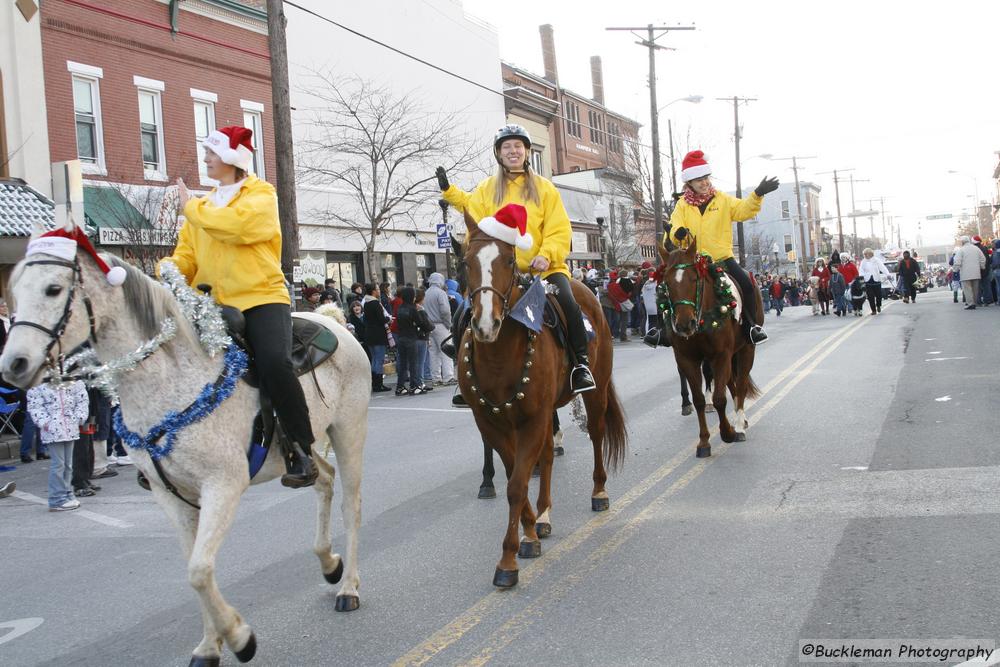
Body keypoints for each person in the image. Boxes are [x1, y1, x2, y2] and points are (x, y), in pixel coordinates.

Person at [163, 124, 316, 488]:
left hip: (261, 297)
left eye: (212, 153)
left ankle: (300, 448)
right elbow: (186, 255)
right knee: (172, 359)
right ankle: (168, 449)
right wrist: (167, 271)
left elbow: (238, 227)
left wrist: (191, 209)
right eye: (206, 152)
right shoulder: (200, 207)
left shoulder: (261, 195)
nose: (205, 159)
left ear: (232, 159)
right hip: (213, 305)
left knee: (274, 364)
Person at [437, 123, 595, 392]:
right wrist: (450, 192)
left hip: (542, 268)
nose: (513, 151)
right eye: (506, 147)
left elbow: (559, 228)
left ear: (527, 151)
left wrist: (546, 255)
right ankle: (463, 365)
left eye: (517, 146)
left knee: (568, 302)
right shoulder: (487, 188)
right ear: (498, 153)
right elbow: (472, 211)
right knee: (466, 307)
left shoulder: (545, 188)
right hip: (502, 270)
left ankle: (580, 365)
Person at [650, 150, 778, 346]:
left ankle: (751, 327)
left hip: (721, 258)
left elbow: (744, 210)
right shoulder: (682, 205)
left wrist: (757, 194)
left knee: (747, 284)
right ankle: (664, 331)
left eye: (705, 177)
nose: (704, 182)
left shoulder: (722, 200)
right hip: (692, 261)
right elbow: (674, 228)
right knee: (665, 287)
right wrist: (678, 234)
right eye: (698, 179)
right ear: (689, 183)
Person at [27, 379, 89, 512]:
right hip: (53, 431)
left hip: (70, 428)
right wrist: (46, 423)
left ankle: (67, 494)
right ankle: (57, 498)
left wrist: (78, 417)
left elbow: (81, 400)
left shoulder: (72, 380)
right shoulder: (39, 384)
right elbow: (35, 406)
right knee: (58, 464)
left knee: (68, 464)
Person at [393, 286, 430, 396]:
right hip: (411, 338)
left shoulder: (400, 308)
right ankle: (415, 386)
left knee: (403, 364)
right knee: (413, 363)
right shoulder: (413, 309)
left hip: (401, 338)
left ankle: (400, 387)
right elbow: (420, 323)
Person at [424, 272, 456, 386]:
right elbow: (445, 311)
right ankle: (448, 377)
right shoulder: (441, 293)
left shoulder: (426, 293)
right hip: (441, 324)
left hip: (429, 325)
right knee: (446, 351)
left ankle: (436, 378)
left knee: (433, 353)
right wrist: (448, 324)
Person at [361, 283, 392, 391]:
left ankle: (374, 383)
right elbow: (381, 319)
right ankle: (378, 383)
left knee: (374, 359)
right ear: (373, 291)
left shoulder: (366, 303)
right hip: (378, 334)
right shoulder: (375, 303)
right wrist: (389, 319)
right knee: (379, 359)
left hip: (369, 334)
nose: (379, 291)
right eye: (378, 289)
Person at [953, 235, 985, 310]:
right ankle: (974, 302)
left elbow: (957, 262)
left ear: (962, 242)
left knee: (967, 289)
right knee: (975, 289)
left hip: (965, 274)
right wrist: (982, 266)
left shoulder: (961, 250)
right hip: (976, 273)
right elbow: (982, 259)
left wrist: (956, 270)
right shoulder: (976, 248)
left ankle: (970, 303)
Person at [858, 247, 890, 314]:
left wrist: (887, 274)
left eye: (866, 254)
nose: (865, 256)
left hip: (876, 280)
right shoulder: (863, 262)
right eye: (864, 254)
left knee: (879, 295)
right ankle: (873, 310)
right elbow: (861, 270)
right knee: (870, 297)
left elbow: (882, 268)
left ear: (870, 254)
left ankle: (878, 305)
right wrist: (861, 277)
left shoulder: (876, 260)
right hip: (868, 281)